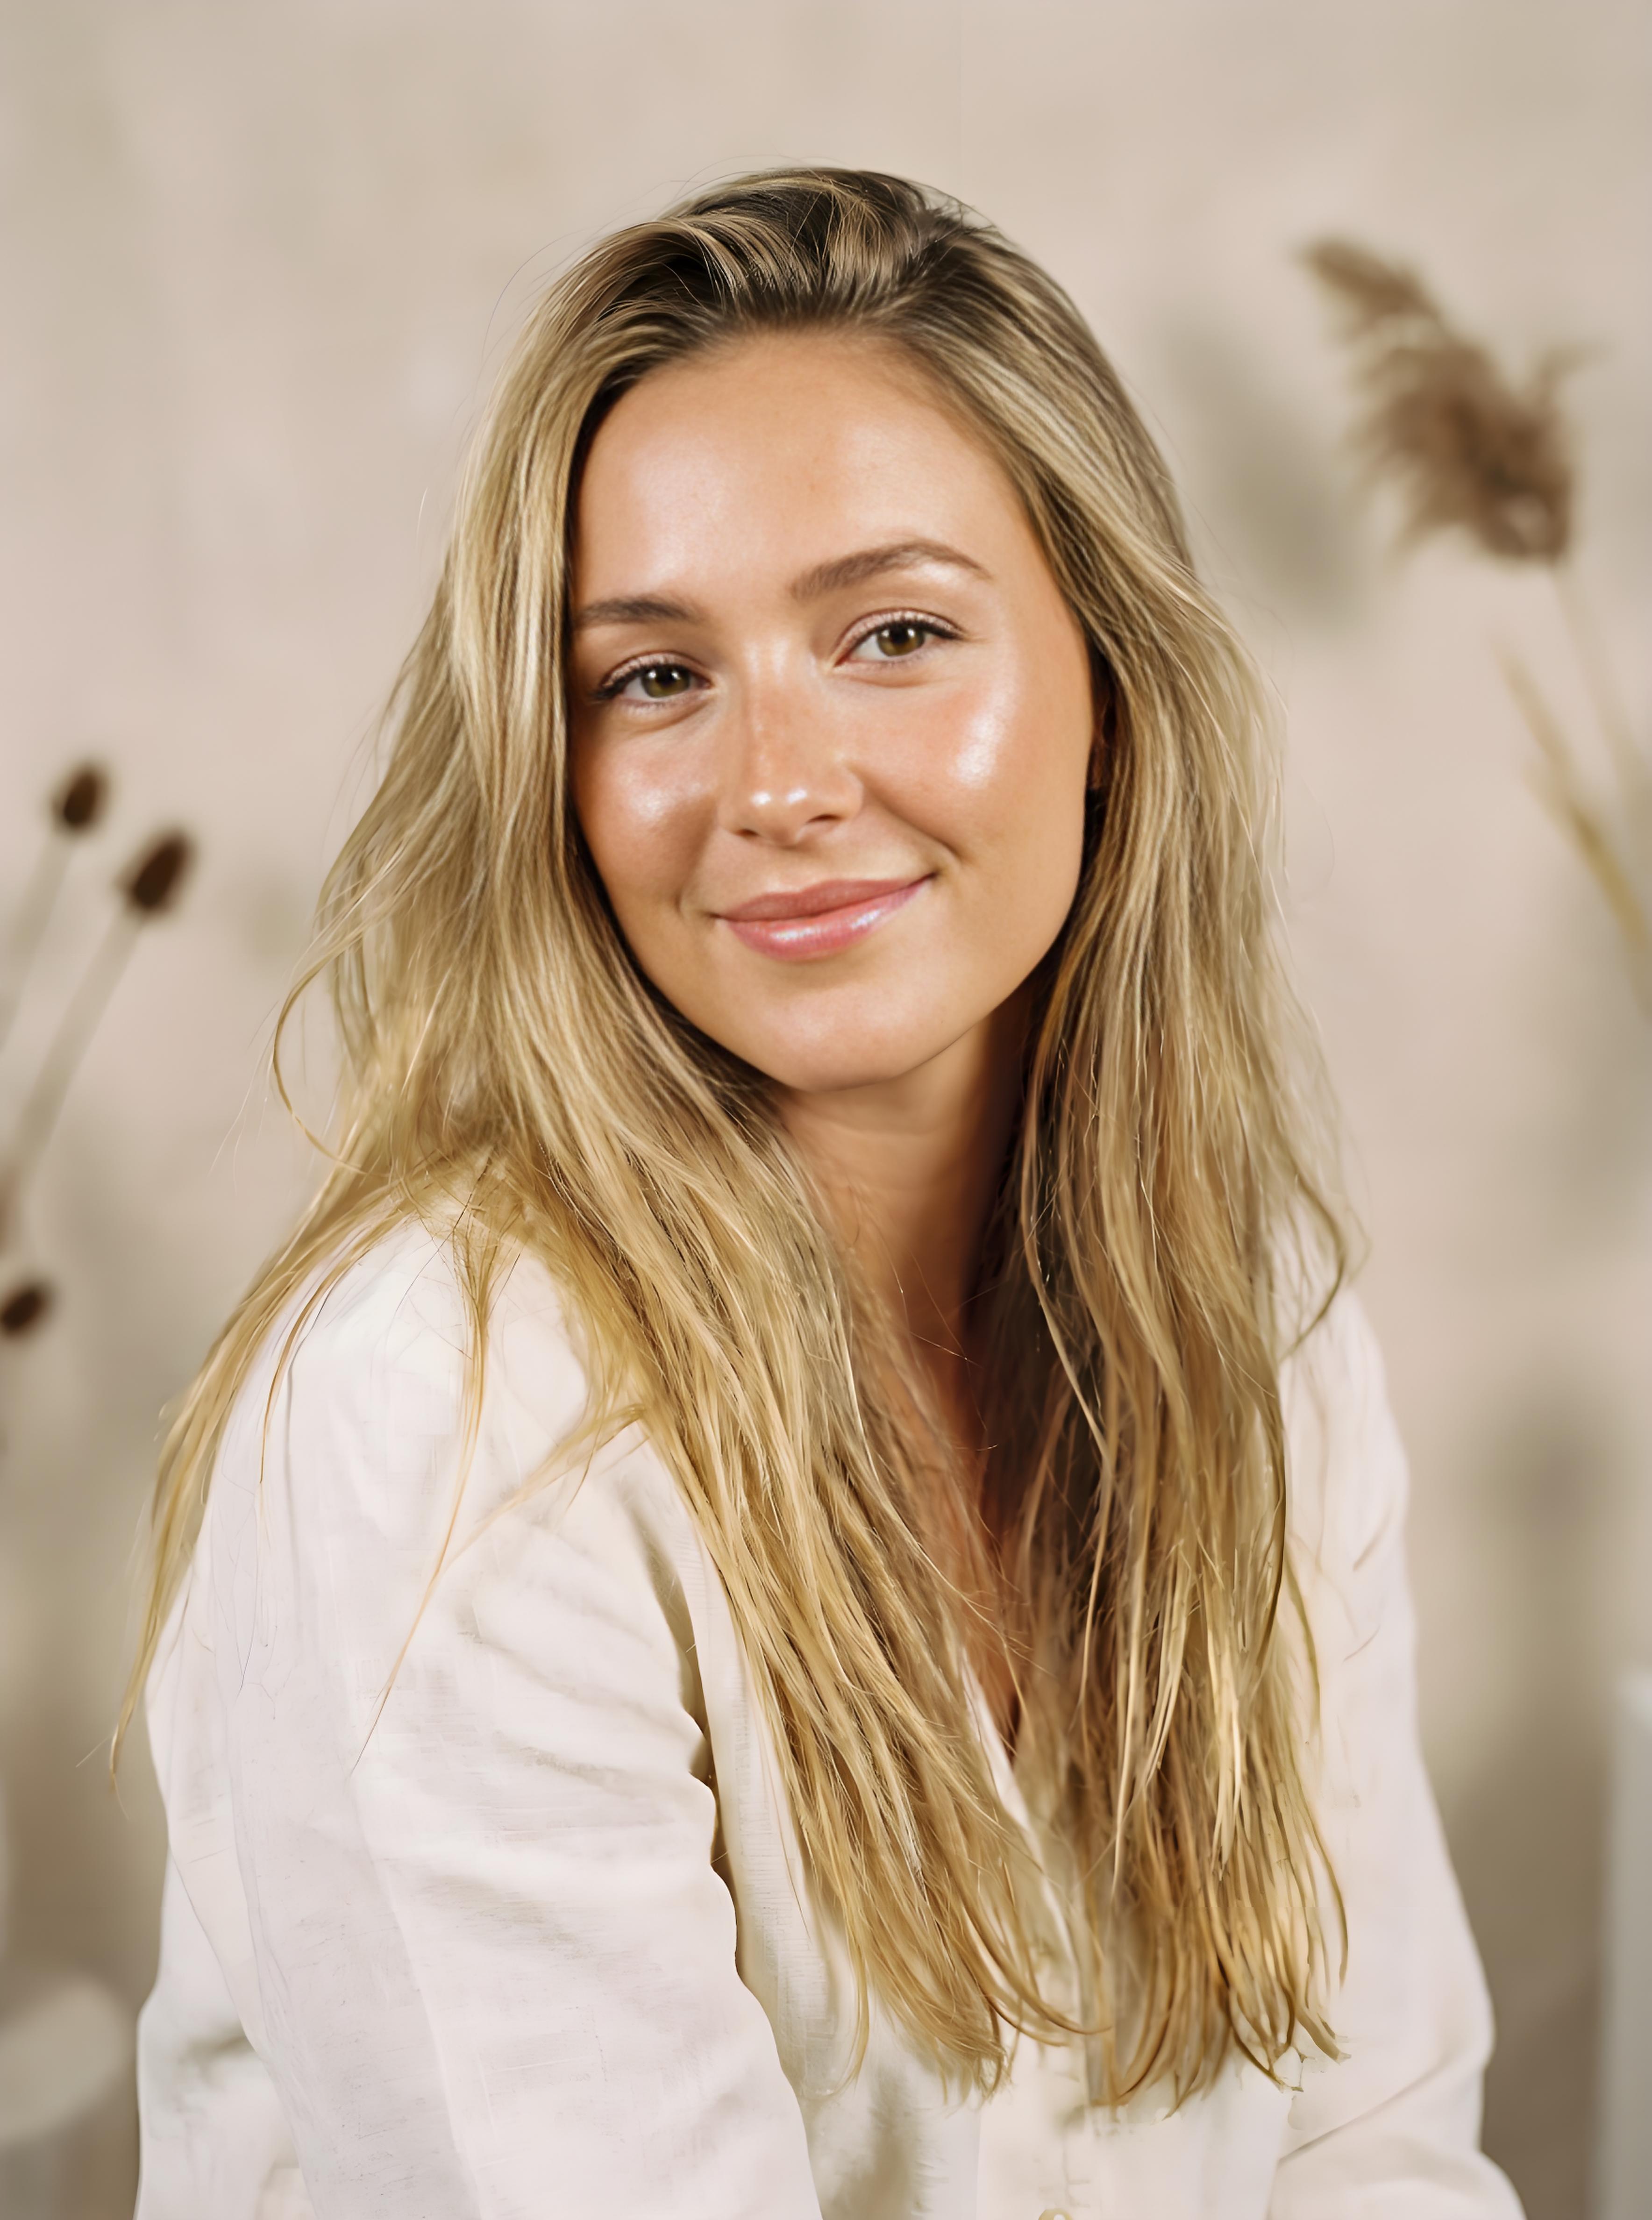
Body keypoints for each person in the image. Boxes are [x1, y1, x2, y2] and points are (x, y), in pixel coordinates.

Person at [125, 169, 1521, 2219]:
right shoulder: (434, 1407)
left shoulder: (1259, 1318)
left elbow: (1371, 2143)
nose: (775, 782)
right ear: (557, 767)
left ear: (1107, 696)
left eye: (893, 634)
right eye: (653, 678)